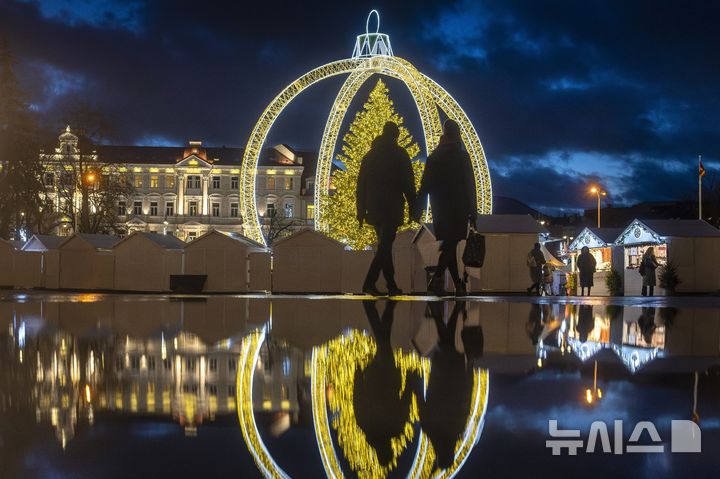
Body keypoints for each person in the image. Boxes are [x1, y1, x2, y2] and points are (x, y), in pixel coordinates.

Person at [415, 119, 477, 296]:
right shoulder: (462, 157)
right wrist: (473, 211)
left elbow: (425, 184)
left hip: (440, 208)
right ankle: (438, 279)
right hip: (459, 208)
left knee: (449, 243)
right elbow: (469, 185)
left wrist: (418, 207)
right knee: (451, 243)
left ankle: (457, 284)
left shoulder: (434, 157)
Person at [357, 121, 416, 296]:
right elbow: (408, 184)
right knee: (385, 245)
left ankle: (391, 284)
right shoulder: (400, 154)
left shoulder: (369, 156)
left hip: (374, 208)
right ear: (396, 136)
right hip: (392, 207)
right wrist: (413, 207)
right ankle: (369, 281)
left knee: (385, 244)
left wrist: (360, 211)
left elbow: (361, 186)